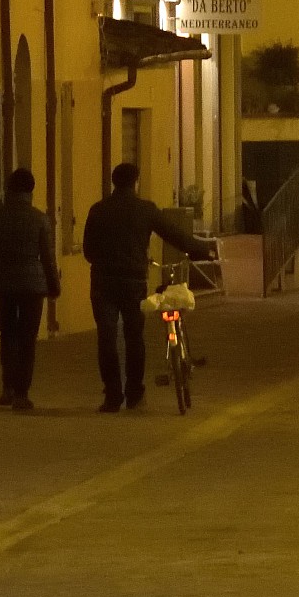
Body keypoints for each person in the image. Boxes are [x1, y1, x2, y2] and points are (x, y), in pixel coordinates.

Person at [82, 162, 210, 412]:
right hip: (133, 283)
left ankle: (112, 396)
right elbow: (174, 234)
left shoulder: (98, 210)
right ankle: (134, 393)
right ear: (136, 182)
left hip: (103, 283)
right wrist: (199, 249)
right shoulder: (145, 209)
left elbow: (88, 251)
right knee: (133, 337)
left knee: (106, 338)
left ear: (113, 182)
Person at [0, 166, 57, 411]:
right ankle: (22, 392)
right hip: (33, 284)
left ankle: (7, 387)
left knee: (7, 335)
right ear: (31, 190)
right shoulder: (40, 219)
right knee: (27, 339)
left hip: (4, 283)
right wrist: (53, 286)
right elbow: (48, 257)